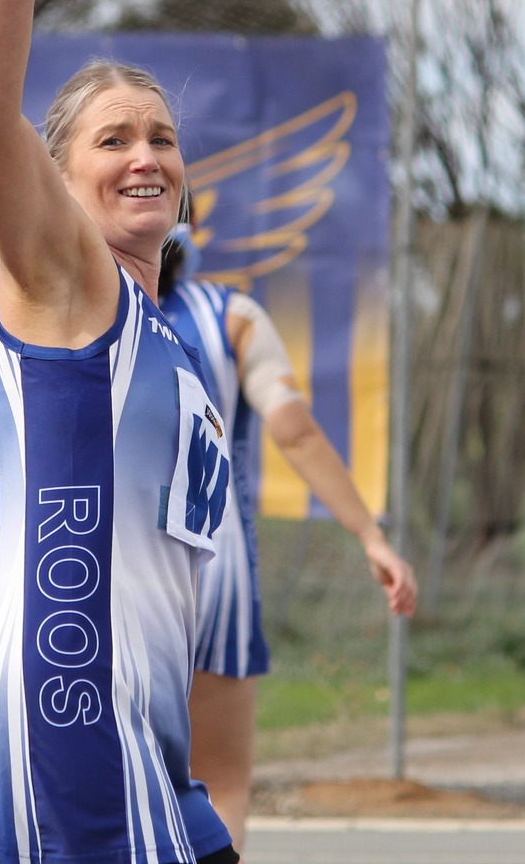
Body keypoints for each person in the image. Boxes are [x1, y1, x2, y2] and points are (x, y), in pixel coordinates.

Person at [0, 0, 239, 864]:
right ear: (55, 182)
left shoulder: (168, 332)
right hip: (68, 710)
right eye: (110, 140)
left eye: (159, 135)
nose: (145, 154)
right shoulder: (77, 288)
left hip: (97, 721)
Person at [158, 228, 418, 850]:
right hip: (211, 567)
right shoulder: (231, 316)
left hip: (94, 567)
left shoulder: (69, 309)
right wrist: (368, 535)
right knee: (218, 784)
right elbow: (295, 433)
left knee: (104, 788)